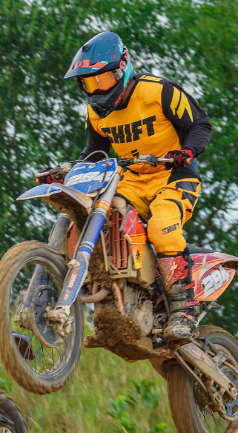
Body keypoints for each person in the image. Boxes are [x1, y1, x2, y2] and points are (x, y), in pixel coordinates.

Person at [62, 31, 213, 342]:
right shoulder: (95, 112)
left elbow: (200, 123)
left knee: (161, 227)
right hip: (131, 179)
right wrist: (68, 173)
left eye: (103, 79)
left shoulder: (159, 92)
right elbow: (95, 152)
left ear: (122, 68)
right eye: (89, 83)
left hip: (174, 175)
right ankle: (115, 303)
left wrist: (187, 151)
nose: (97, 89)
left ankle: (184, 310)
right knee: (98, 219)